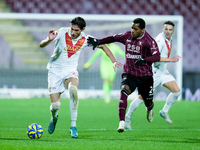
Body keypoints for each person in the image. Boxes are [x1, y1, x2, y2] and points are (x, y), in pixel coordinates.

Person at [39, 16, 122, 138]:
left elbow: (103, 46)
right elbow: (41, 45)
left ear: (83, 29)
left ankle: (73, 126)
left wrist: (114, 61)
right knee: (56, 106)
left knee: (73, 89)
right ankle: (54, 117)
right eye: (72, 29)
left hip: (70, 71)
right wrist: (48, 40)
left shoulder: (86, 39)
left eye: (76, 30)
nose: (73, 32)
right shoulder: (61, 32)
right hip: (54, 71)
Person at [88, 18, 164, 133]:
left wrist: (144, 60)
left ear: (142, 30)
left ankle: (149, 108)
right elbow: (113, 38)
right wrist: (99, 41)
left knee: (147, 101)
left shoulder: (149, 41)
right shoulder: (127, 36)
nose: (132, 30)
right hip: (130, 73)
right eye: (132, 28)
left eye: (136, 29)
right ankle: (121, 122)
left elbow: (157, 57)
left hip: (145, 76)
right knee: (124, 91)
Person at [125, 21, 181, 130]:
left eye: (170, 30)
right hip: (153, 72)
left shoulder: (169, 40)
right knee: (142, 98)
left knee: (177, 91)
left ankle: (164, 111)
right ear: (162, 29)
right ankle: (128, 117)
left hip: (162, 71)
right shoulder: (159, 41)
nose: (168, 31)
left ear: (173, 31)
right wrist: (171, 59)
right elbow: (156, 58)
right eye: (166, 29)